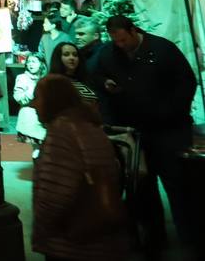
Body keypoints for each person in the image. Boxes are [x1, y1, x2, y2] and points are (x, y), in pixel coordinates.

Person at [99, 15, 197, 252]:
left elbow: (187, 83)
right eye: (115, 41)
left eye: (123, 40)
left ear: (133, 31)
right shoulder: (110, 54)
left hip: (169, 131)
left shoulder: (162, 49)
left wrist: (168, 113)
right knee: (143, 189)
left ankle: (190, 240)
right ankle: (154, 239)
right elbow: (96, 74)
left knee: (178, 186)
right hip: (136, 134)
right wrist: (106, 84)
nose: (120, 45)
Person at [31, 74, 129, 261]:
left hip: (71, 242)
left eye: (38, 97)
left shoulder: (61, 133)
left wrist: (43, 229)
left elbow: (54, 193)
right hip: (101, 238)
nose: (34, 104)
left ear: (53, 100)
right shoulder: (89, 126)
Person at [13, 54, 49, 149]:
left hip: (45, 117)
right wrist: (32, 91)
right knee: (37, 149)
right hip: (30, 117)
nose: (30, 64)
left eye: (34, 62)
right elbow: (18, 97)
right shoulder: (22, 78)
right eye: (29, 62)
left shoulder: (46, 78)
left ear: (41, 64)